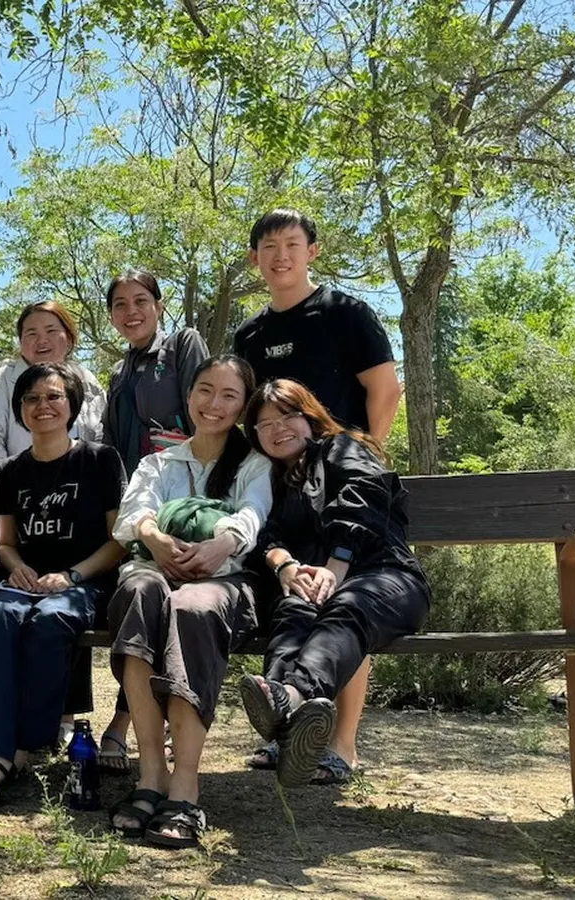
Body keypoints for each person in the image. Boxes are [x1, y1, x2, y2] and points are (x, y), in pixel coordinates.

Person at [231, 209, 401, 782]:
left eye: (292, 244)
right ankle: (290, 733)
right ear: (255, 259)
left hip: (345, 490)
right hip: (283, 490)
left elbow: (384, 389)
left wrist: (358, 462)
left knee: (343, 597)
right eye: (268, 247)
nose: (280, 256)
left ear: (313, 251)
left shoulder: (345, 312)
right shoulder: (250, 335)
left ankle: (342, 746)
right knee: (297, 597)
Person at [104, 356, 272, 849]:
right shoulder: (159, 462)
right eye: (204, 390)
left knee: (193, 607)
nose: (213, 403)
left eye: (229, 395)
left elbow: (254, 512)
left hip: (223, 580)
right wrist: (154, 538)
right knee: (138, 591)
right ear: (189, 395)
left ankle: (185, 785)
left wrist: (222, 544)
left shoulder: (254, 463)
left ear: (244, 406)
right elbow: (134, 512)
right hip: (153, 571)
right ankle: (151, 773)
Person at [237, 379, 430, 788]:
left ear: (310, 417)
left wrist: (336, 566)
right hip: (316, 586)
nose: (277, 429)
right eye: (265, 424)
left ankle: (290, 699)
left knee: (346, 605)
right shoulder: (273, 480)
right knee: (291, 609)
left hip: (385, 578)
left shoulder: (342, 449)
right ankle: (286, 723)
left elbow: (363, 495)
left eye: (287, 416)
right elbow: (265, 534)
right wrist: (284, 565)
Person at [0, 362, 125, 812]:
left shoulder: (99, 460)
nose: (42, 406)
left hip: (84, 582)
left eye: (53, 396)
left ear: (72, 405)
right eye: (31, 398)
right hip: (26, 582)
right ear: (19, 409)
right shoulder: (11, 470)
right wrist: (16, 568)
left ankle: (21, 748)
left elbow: (118, 542)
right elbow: (5, 542)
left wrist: (72, 575)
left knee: (52, 618)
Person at [96, 269, 210, 770]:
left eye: (141, 300)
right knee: (138, 599)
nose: (131, 312)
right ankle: (137, 720)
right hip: (138, 505)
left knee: (163, 601)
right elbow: (111, 447)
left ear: (160, 306)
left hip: (185, 498)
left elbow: (206, 416)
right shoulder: (119, 373)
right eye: (120, 305)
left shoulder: (183, 346)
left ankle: (128, 723)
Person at [0, 300, 106, 462]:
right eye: (32, 334)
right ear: (21, 342)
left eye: (51, 331)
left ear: (69, 338)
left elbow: (102, 434)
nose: (42, 340)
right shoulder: (2, 382)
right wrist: (8, 474)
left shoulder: (86, 381)